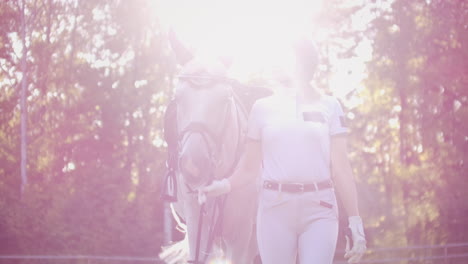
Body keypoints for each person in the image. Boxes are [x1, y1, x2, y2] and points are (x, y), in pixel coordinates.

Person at [198, 38, 367, 264]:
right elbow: (249, 167)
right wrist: (224, 185)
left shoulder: (330, 106)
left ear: (302, 64)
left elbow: (342, 169)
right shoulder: (261, 109)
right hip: (274, 211)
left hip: (320, 209)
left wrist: (355, 222)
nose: (276, 64)